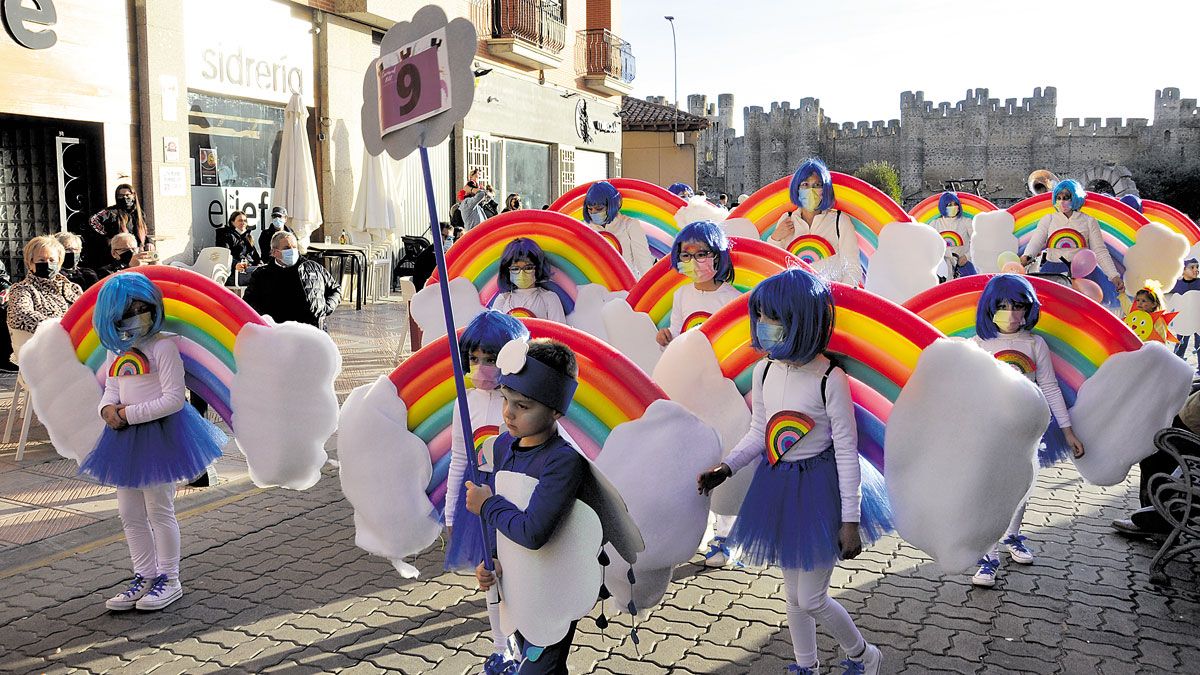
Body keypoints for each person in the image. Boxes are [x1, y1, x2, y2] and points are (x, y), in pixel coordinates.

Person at [695, 268, 889, 674]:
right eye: (759, 317)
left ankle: (864, 656)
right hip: (779, 487)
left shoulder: (829, 378)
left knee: (812, 598)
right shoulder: (765, 370)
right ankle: (807, 665)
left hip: (822, 494)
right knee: (792, 594)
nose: (762, 327)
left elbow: (846, 450)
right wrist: (727, 467)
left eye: (773, 319)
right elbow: (757, 433)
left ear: (802, 322)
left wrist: (849, 520)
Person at [80, 273, 225, 612]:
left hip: (159, 437)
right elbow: (111, 390)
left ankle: (169, 578)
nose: (133, 317)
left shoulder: (163, 347)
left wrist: (127, 414)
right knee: (129, 512)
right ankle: (143, 575)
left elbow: (175, 399)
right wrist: (106, 411)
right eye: (125, 312)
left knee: (159, 510)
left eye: (139, 309)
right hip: (124, 440)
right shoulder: (117, 352)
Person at [465, 338, 586, 674]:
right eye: (506, 400)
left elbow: (534, 532)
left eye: (523, 406)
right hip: (518, 588)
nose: (509, 412)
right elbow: (505, 514)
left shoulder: (563, 462)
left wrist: (488, 506)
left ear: (556, 410)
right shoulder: (505, 445)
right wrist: (491, 559)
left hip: (552, 592)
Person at [969, 274, 1085, 589]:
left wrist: (1067, 429)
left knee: (1022, 485)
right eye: (1003, 305)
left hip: (1028, 431)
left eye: (1018, 305)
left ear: (1029, 308)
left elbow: (1048, 385)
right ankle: (988, 555)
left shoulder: (1035, 344)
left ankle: (1012, 534)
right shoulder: (978, 344)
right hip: (991, 432)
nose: (1011, 313)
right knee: (991, 492)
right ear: (989, 307)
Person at [444, 311, 529, 674]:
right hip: (478, 500)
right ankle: (500, 645)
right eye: (475, 358)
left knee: (521, 576)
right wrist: (450, 511)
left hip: (516, 499)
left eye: (491, 358)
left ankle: (528, 641)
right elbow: (459, 458)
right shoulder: (464, 402)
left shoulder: (524, 400)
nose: (481, 367)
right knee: (489, 576)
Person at [1020, 180, 1124, 302]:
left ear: (1075, 198)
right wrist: (1026, 257)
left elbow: (1100, 251)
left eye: (1066, 197)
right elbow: (1035, 243)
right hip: (1053, 272)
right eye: (1058, 198)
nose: (1062, 201)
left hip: (1085, 273)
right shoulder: (1048, 219)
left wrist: (1114, 275)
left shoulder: (1088, 221)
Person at [768, 159, 863, 286]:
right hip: (794, 297)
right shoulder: (787, 219)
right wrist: (776, 237)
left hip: (829, 299)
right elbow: (773, 264)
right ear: (796, 189)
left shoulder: (839, 221)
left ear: (826, 189)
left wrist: (838, 298)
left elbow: (852, 267)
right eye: (805, 185)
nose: (811, 191)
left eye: (817, 185)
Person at [656, 221, 741, 348]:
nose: (693, 262)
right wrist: (665, 338)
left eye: (701, 254)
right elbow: (676, 335)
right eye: (686, 255)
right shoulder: (681, 294)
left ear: (717, 256)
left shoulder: (733, 300)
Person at [244, 231, 341, 328]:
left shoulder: (313, 268)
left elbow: (335, 289)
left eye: (294, 247)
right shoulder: (262, 274)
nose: (292, 251)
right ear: (274, 252)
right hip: (279, 332)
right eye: (287, 248)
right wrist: (265, 319)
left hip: (312, 330)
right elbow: (249, 302)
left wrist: (326, 308)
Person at [7, 237, 83, 339]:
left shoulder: (73, 288)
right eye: (41, 260)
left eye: (52, 260)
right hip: (43, 349)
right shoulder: (22, 289)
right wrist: (62, 327)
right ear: (30, 263)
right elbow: (20, 316)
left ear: (59, 262)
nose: (47, 264)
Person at [582, 181, 655, 278]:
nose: (594, 212)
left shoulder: (629, 225)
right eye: (590, 209)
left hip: (627, 286)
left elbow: (643, 262)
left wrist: (647, 288)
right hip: (598, 286)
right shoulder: (585, 228)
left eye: (599, 208)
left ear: (611, 205)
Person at [491, 239, 568, 323]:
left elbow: (559, 333)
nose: (522, 273)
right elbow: (494, 332)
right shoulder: (503, 300)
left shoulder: (549, 298)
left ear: (538, 269)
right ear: (507, 271)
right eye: (515, 269)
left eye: (528, 268)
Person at [82, 184, 153, 271]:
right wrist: (108, 235)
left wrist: (149, 242)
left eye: (127, 195)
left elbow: (143, 234)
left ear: (134, 196)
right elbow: (93, 220)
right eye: (121, 196)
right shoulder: (111, 212)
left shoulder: (139, 214)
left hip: (137, 252)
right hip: (119, 256)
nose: (125, 198)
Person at [929, 192, 975, 279]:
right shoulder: (935, 224)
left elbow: (977, 242)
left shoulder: (966, 222)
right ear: (943, 206)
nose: (953, 207)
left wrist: (967, 256)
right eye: (949, 205)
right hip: (942, 268)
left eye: (955, 204)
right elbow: (929, 245)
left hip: (964, 265)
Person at [215, 210, 262, 286]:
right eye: (240, 220)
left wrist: (260, 265)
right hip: (235, 273)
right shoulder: (225, 235)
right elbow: (224, 256)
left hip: (249, 269)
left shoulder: (248, 237)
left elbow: (256, 257)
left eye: (245, 221)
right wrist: (235, 264)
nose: (243, 223)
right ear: (232, 222)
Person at [1170, 258, 1200, 365]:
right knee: (1181, 343)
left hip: (1197, 321)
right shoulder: (1177, 284)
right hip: (1183, 321)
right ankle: (1176, 366)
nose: (1196, 269)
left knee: (1199, 345)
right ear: (1182, 270)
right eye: (1192, 267)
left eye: (1197, 267)